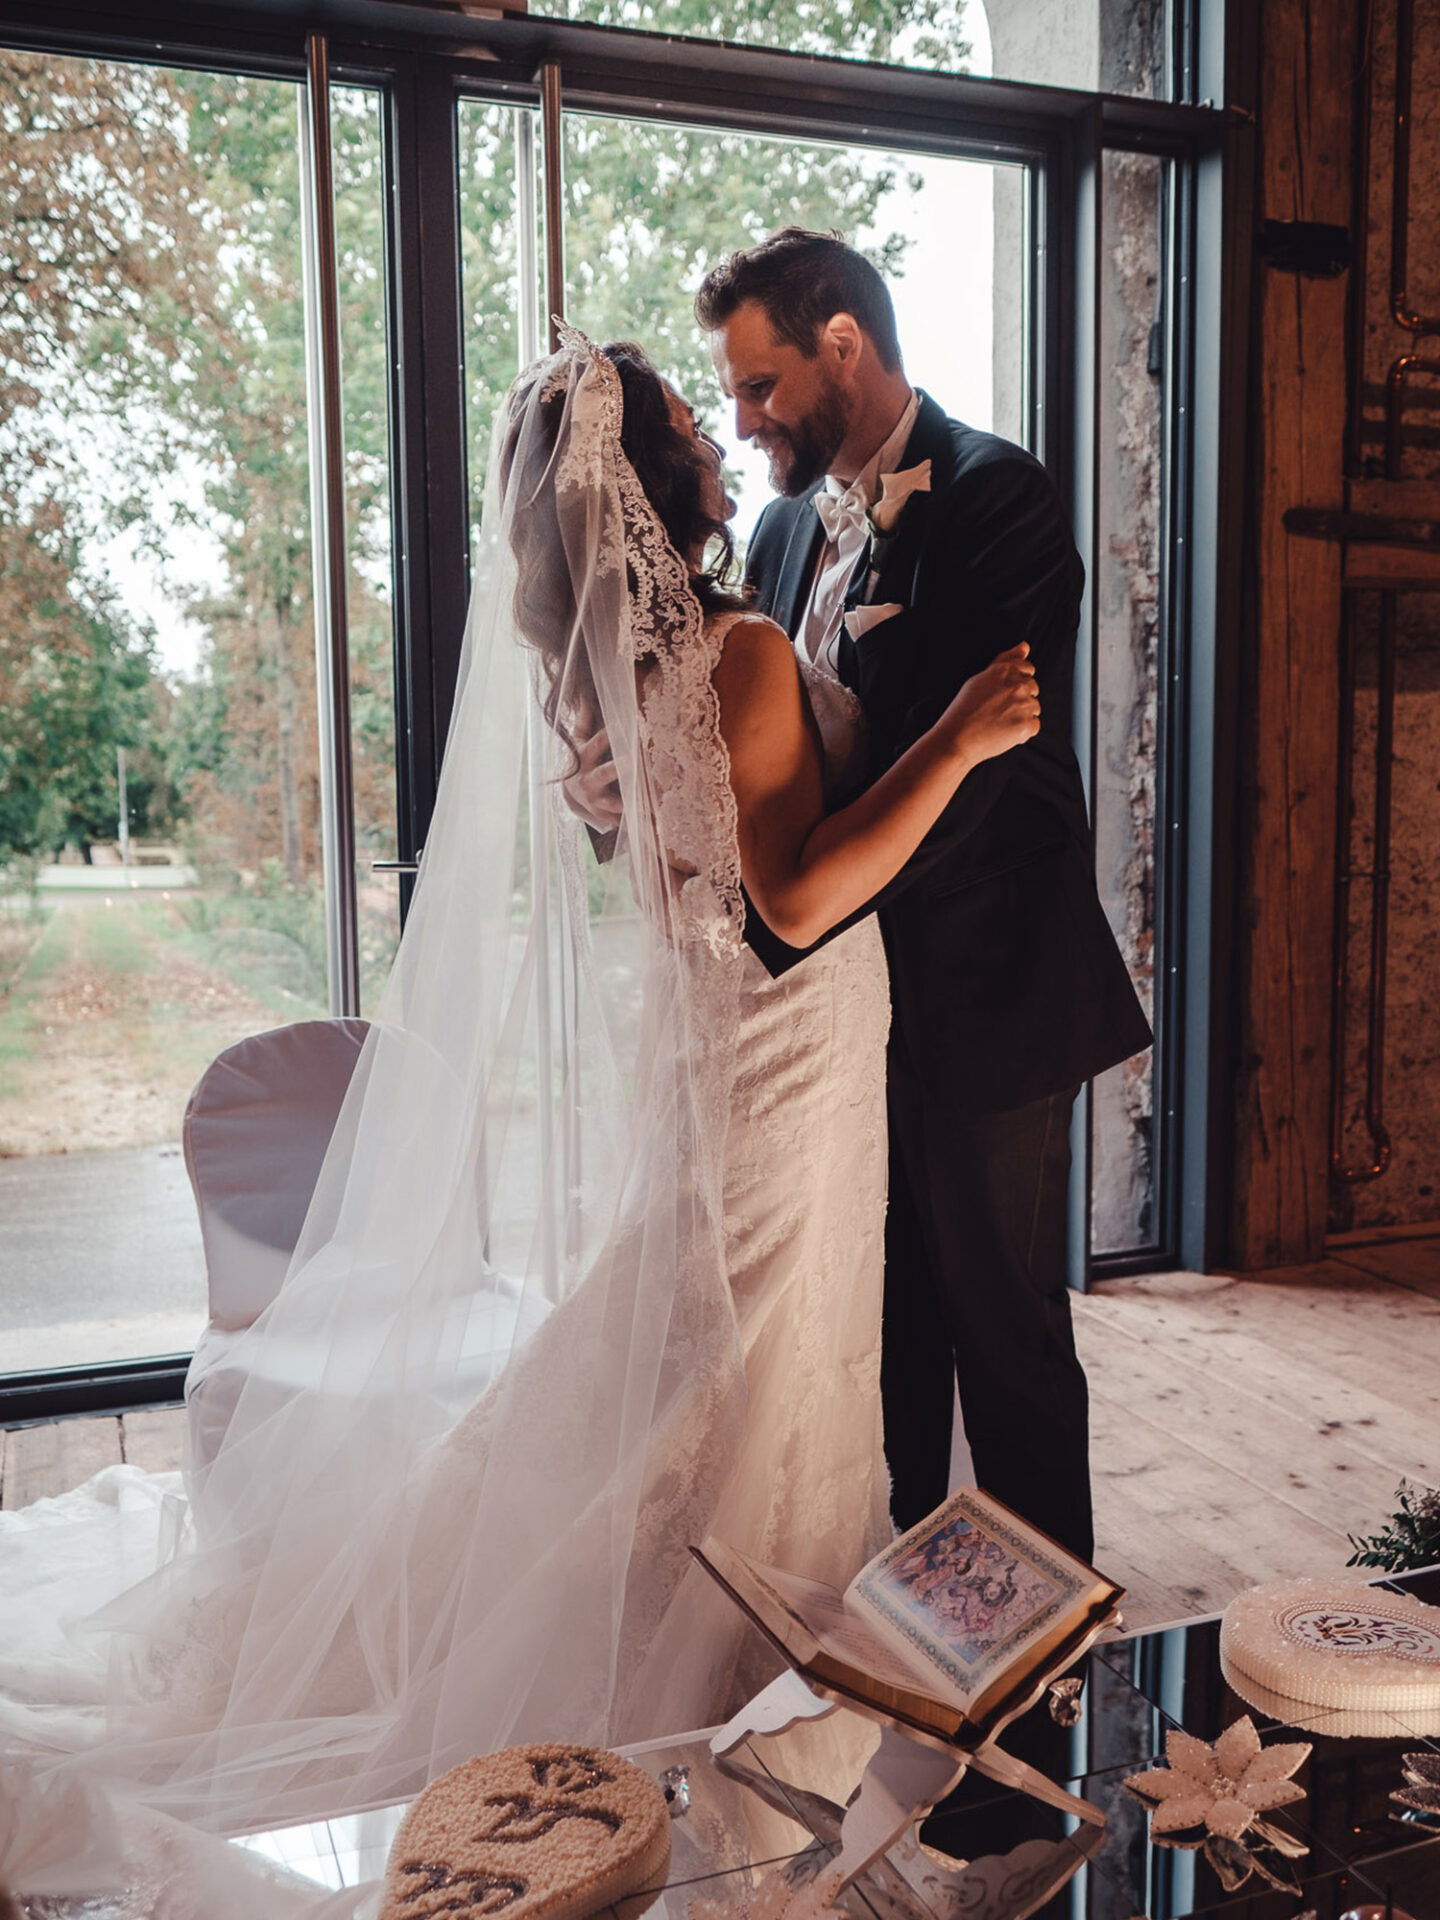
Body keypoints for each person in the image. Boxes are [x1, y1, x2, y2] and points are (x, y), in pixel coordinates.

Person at [0, 328, 1040, 1904]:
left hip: (737, 1064)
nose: (716, 436)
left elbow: (700, 868)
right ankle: (726, 1712)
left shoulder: (633, 670)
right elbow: (792, 898)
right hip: (782, 1057)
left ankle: (755, 1676)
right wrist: (958, 740)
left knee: (719, 1346)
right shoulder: (740, 653)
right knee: (752, 1360)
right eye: (689, 418)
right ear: (651, 478)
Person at [694, 229, 1153, 1563]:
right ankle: (905, 1598)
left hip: (987, 984)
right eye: (732, 396)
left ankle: (1044, 1635)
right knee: (885, 1320)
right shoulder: (782, 529)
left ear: (842, 344)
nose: (746, 420)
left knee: (1003, 1328)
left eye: (762, 385)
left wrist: (804, 903)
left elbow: (979, 774)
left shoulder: (1000, 497)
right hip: (840, 1008)